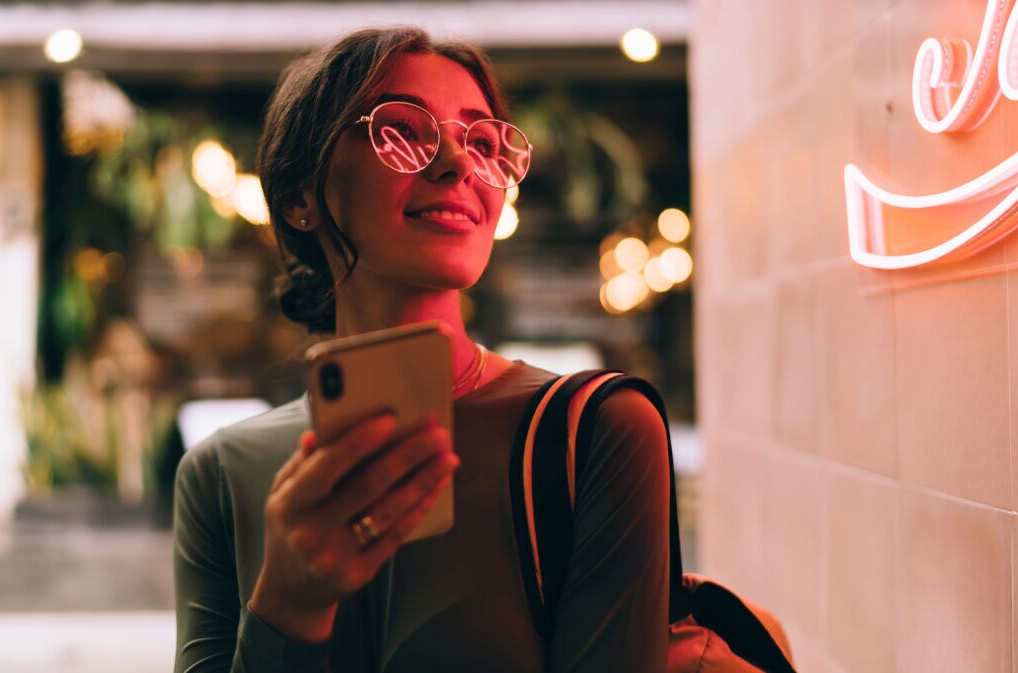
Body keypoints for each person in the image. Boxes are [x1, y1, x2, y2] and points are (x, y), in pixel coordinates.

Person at [173, 26, 671, 673]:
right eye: (404, 131)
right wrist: (287, 605)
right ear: (299, 197)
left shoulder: (595, 431)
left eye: (483, 141)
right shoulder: (218, 474)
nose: (460, 163)